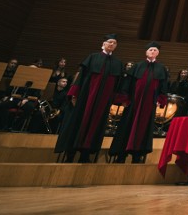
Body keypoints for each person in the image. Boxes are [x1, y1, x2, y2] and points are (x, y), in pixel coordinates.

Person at [55, 34, 125, 163]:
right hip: (85, 100)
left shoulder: (118, 63)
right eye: (109, 42)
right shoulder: (92, 57)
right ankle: (70, 154)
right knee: (78, 123)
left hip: (102, 104)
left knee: (96, 126)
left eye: (114, 43)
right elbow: (80, 78)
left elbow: (117, 86)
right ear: (103, 44)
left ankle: (85, 154)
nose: (111, 44)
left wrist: (118, 100)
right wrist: (74, 94)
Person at [109, 41, 169, 163]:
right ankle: (121, 155)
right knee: (127, 127)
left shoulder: (161, 68)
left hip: (149, 105)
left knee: (144, 129)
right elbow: (127, 84)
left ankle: (137, 155)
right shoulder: (137, 66)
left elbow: (163, 87)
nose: (152, 52)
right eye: (150, 50)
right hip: (133, 104)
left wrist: (160, 100)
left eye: (155, 50)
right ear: (146, 52)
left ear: (158, 53)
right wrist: (125, 99)